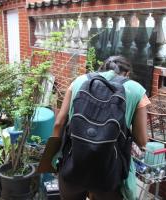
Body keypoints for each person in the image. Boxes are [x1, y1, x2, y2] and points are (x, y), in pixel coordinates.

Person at [52, 56, 150, 200]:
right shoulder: (136, 90)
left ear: (102, 68)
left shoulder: (79, 81)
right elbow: (142, 141)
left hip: (73, 166)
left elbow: (59, 123)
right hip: (108, 173)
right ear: (127, 73)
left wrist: (53, 157)